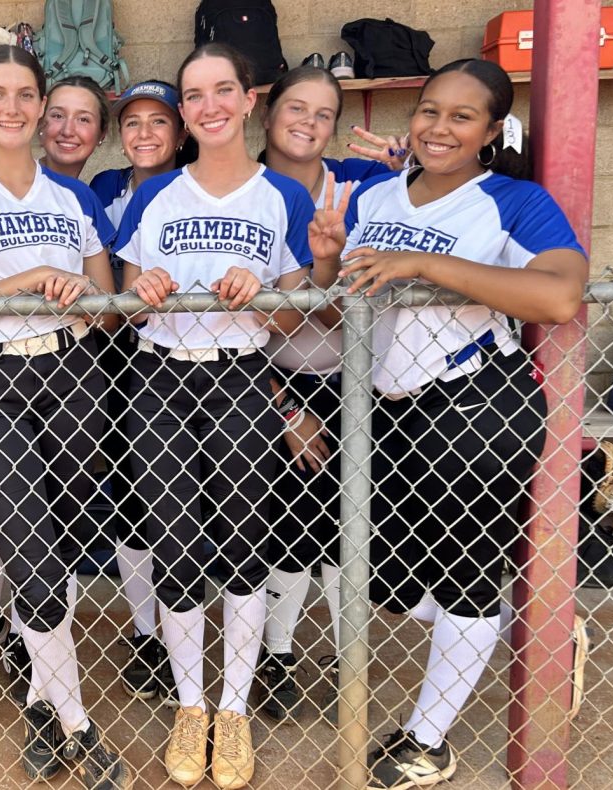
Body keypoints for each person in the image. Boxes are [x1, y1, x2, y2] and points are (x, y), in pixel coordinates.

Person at [307, 58, 586, 788]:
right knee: (378, 582)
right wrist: (330, 262)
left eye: (462, 116)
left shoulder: (510, 200)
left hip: (473, 406)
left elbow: (558, 296)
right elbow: (342, 312)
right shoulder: (373, 195)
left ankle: (427, 740)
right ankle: (527, 632)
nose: (438, 127)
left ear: (492, 130)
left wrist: (424, 267)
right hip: (379, 412)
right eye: (430, 110)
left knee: (463, 578)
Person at [117, 44, 330, 789]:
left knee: (242, 542)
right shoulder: (157, 196)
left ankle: (233, 708)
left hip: (242, 379)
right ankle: (190, 704)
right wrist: (142, 280)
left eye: (223, 91)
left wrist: (267, 288)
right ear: (185, 111)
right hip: (161, 379)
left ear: (248, 101)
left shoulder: (282, 197)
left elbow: (308, 306)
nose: (208, 106)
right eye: (194, 95)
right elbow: (121, 282)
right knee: (175, 544)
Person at [0, 45, 129, 790]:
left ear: (41, 107)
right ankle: (79, 723)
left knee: (63, 548)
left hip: (73, 374)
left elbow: (105, 311)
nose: (11, 107)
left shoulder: (73, 197)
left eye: (25, 95)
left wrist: (78, 290)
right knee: (29, 549)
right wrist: (30, 279)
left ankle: (41, 701)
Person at [254, 65, 404, 723]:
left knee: (350, 527)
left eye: (323, 113)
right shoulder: (243, 186)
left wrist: (410, 164)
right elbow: (225, 325)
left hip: (354, 379)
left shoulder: (359, 184)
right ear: (267, 114)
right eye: (296, 108)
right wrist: (286, 408)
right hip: (267, 380)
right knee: (285, 527)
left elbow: (432, 194)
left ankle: (351, 661)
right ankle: (278, 654)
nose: (308, 123)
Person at [89, 78, 189, 706]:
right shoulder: (103, 187)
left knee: (183, 501)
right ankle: (146, 631)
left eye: (159, 121)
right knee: (130, 494)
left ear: (182, 131)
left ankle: (205, 636)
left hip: (175, 353)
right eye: (133, 122)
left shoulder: (200, 182)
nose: (145, 133)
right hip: (111, 353)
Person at [38, 74, 110, 179]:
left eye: (83, 119)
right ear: (40, 123)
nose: (67, 131)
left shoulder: (84, 193)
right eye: (58, 116)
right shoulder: (15, 187)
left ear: (102, 134)